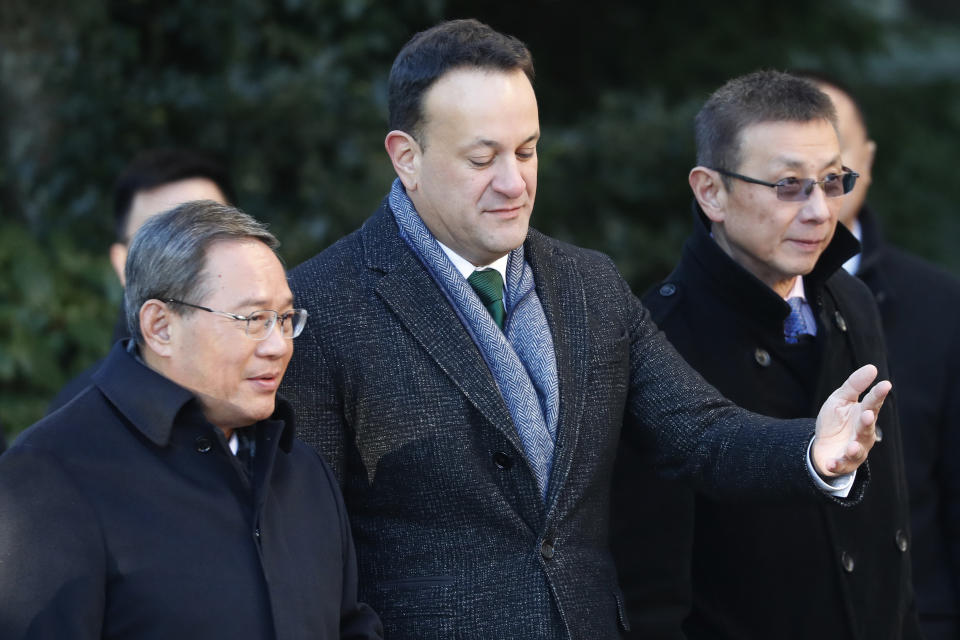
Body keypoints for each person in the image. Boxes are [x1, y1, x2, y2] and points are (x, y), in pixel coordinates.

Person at [280, 21, 889, 639]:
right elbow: (307, 548)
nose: (514, 183)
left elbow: (699, 433)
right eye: (482, 158)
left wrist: (812, 453)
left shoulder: (588, 283)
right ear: (406, 156)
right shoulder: (326, 305)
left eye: (526, 151)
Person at [612, 70, 920, 639]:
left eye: (832, 181)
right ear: (711, 192)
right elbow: (650, 589)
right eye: (788, 186)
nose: (821, 212)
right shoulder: (658, 335)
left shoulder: (850, 298)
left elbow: (889, 527)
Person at [0, 201, 383, 639]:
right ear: (160, 326)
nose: (278, 345)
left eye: (284, 319)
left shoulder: (301, 468)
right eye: (254, 319)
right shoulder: (48, 476)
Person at [804, 72, 960, 640]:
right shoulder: (688, 314)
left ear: (865, 157)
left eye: (834, 154)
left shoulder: (943, 306)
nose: (819, 182)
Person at [47, 148, 234, 412]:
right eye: (161, 238)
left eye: (209, 232)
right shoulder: (76, 412)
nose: (191, 254)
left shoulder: (287, 373)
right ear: (122, 263)